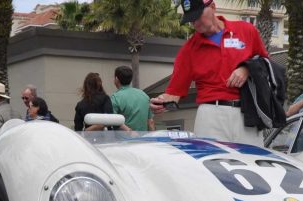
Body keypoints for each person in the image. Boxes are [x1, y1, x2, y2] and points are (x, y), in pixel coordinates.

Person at [149, 0, 268, 145]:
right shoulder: (189, 49)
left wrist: (246, 69)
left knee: (252, 162)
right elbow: (174, 92)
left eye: (198, 16)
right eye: (191, 19)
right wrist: (162, 102)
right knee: (210, 165)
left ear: (212, 7)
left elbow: (265, 64)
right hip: (211, 115)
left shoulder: (246, 30)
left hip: (248, 112)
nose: (195, 23)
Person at [110, 66, 154, 131]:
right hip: (143, 139)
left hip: (124, 139)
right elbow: (150, 122)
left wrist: (130, 132)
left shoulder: (115, 98)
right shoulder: (144, 95)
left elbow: (114, 120)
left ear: (116, 79)